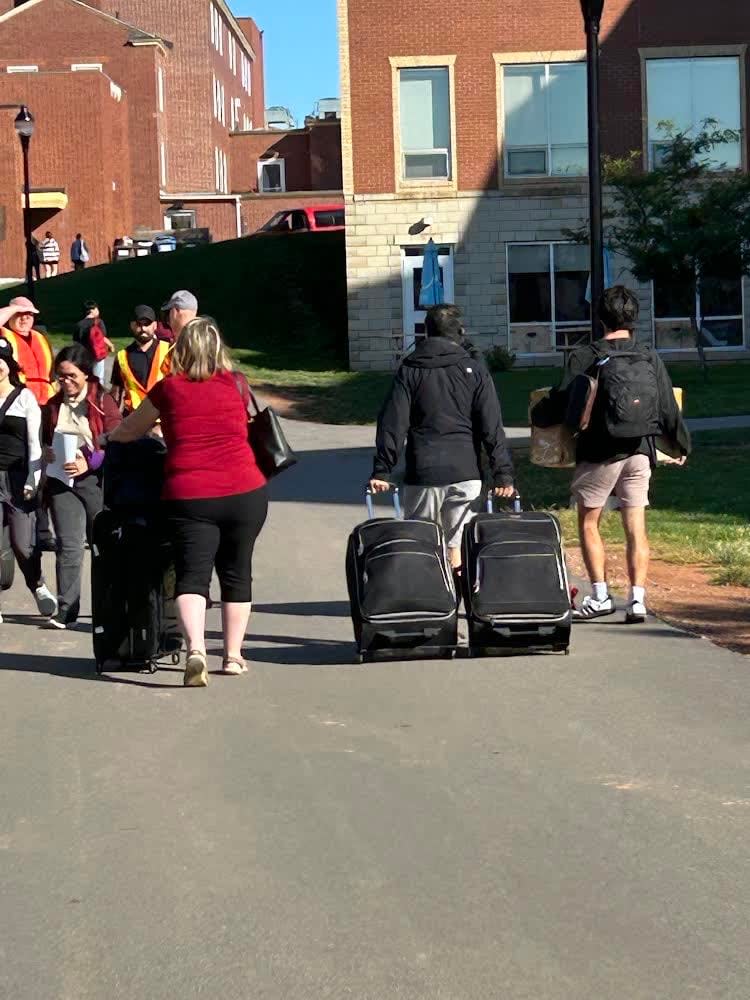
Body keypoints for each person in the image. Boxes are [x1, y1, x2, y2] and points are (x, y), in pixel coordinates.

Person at [107, 316, 268, 687]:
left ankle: (196, 650)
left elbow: (130, 430)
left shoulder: (169, 389)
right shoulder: (237, 384)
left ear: (181, 349)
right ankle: (233, 656)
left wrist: (108, 440)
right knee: (237, 573)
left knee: (192, 576)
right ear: (218, 349)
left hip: (190, 495)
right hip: (245, 491)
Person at [561, 286, 690, 624]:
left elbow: (567, 403)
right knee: (636, 526)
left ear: (600, 317)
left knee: (589, 521)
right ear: (634, 318)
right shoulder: (648, 355)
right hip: (640, 451)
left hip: (600, 453)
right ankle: (637, 600)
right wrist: (679, 446)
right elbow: (666, 406)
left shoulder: (585, 355)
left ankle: (601, 596)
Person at [369, 303, 515, 573]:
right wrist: (502, 473)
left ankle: (429, 597)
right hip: (466, 470)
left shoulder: (409, 370)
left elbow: (393, 422)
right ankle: (457, 598)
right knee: (457, 545)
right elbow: (491, 426)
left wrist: (383, 469)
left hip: (423, 471)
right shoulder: (474, 370)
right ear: (460, 332)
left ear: (426, 333)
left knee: (421, 541)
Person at [42, 344, 122, 629]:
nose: (66, 382)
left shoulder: (103, 400)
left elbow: (117, 436)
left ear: (87, 374)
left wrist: (90, 460)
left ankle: (110, 607)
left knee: (104, 545)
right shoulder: (53, 405)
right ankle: (67, 608)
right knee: (68, 545)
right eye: (61, 376)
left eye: (71, 376)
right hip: (61, 481)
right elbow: (43, 437)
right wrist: (46, 450)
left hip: (94, 481)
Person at [0, 337, 57, 623]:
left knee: (22, 544)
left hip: (18, 478)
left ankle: (37, 585)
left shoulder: (25, 398)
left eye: (1, 360)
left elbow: (35, 444)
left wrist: (33, 480)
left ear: (9, 364)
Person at [110, 305, 170, 413]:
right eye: (139, 324)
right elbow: (116, 392)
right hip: (133, 418)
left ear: (155, 325)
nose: (143, 329)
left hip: (162, 417)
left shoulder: (169, 350)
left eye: (147, 324)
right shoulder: (122, 356)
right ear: (132, 325)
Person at [0, 297, 55, 405]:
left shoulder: (40, 337)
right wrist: (14, 308)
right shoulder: (3, 337)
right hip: (19, 401)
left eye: (29, 313)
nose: (24, 318)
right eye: (19, 314)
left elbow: (52, 372)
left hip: (47, 401)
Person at [74, 300, 114, 385]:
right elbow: (102, 337)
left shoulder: (79, 325)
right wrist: (110, 345)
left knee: (85, 377)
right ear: (92, 310)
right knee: (98, 378)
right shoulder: (98, 322)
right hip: (97, 355)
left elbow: (76, 342)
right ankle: (98, 396)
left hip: (83, 356)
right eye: (97, 309)